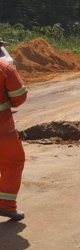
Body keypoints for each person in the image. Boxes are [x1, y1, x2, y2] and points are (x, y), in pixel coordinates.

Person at [0, 59, 28, 221]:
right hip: (2, 128)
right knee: (13, 162)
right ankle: (6, 205)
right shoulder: (4, 68)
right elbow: (19, 95)